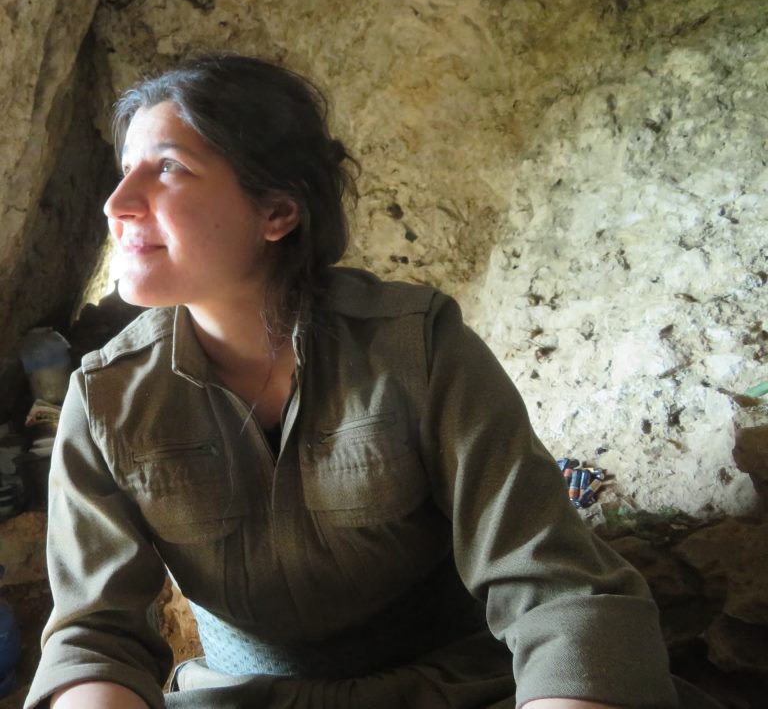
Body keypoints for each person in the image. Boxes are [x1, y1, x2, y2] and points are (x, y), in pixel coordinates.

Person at [24, 54, 712, 709]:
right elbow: (96, 636)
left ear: (277, 212)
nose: (117, 202)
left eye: (169, 167)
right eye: (125, 171)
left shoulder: (418, 347)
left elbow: (556, 588)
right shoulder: (106, 398)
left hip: (458, 690)